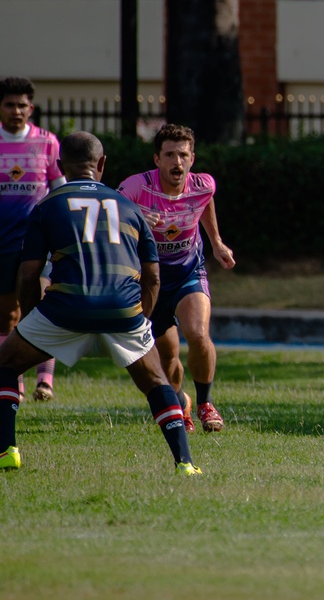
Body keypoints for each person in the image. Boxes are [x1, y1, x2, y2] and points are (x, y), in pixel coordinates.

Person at [0, 131, 200, 474]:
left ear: (60, 166)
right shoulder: (130, 207)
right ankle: (185, 463)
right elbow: (152, 278)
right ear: (102, 165)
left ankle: (7, 450)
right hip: (124, 309)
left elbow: (28, 276)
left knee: (4, 366)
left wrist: (33, 322)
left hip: (66, 308)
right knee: (157, 382)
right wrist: (142, 322)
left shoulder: (47, 206)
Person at [117, 124, 235, 433]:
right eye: (170, 155)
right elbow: (111, 213)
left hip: (188, 272)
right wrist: (136, 217)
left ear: (192, 158)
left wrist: (217, 242)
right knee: (168, 355)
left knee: (197, 334)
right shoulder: (135, 187)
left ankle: (206, 403)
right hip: (151, 280)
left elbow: (204, 201)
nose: (177, 162)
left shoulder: (203, 185)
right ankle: (179, 403)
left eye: (183, 155)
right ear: (157, 159)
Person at [0, 77, 64, 402]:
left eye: (22, 105)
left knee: (39, 309)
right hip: (3, 244)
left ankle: (46, 382)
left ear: (31, 108)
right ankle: (15, 380)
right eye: (10, 104)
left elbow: (61, 190)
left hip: (37, 244)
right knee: (7, 314)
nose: (16, 111)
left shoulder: (47, 143)